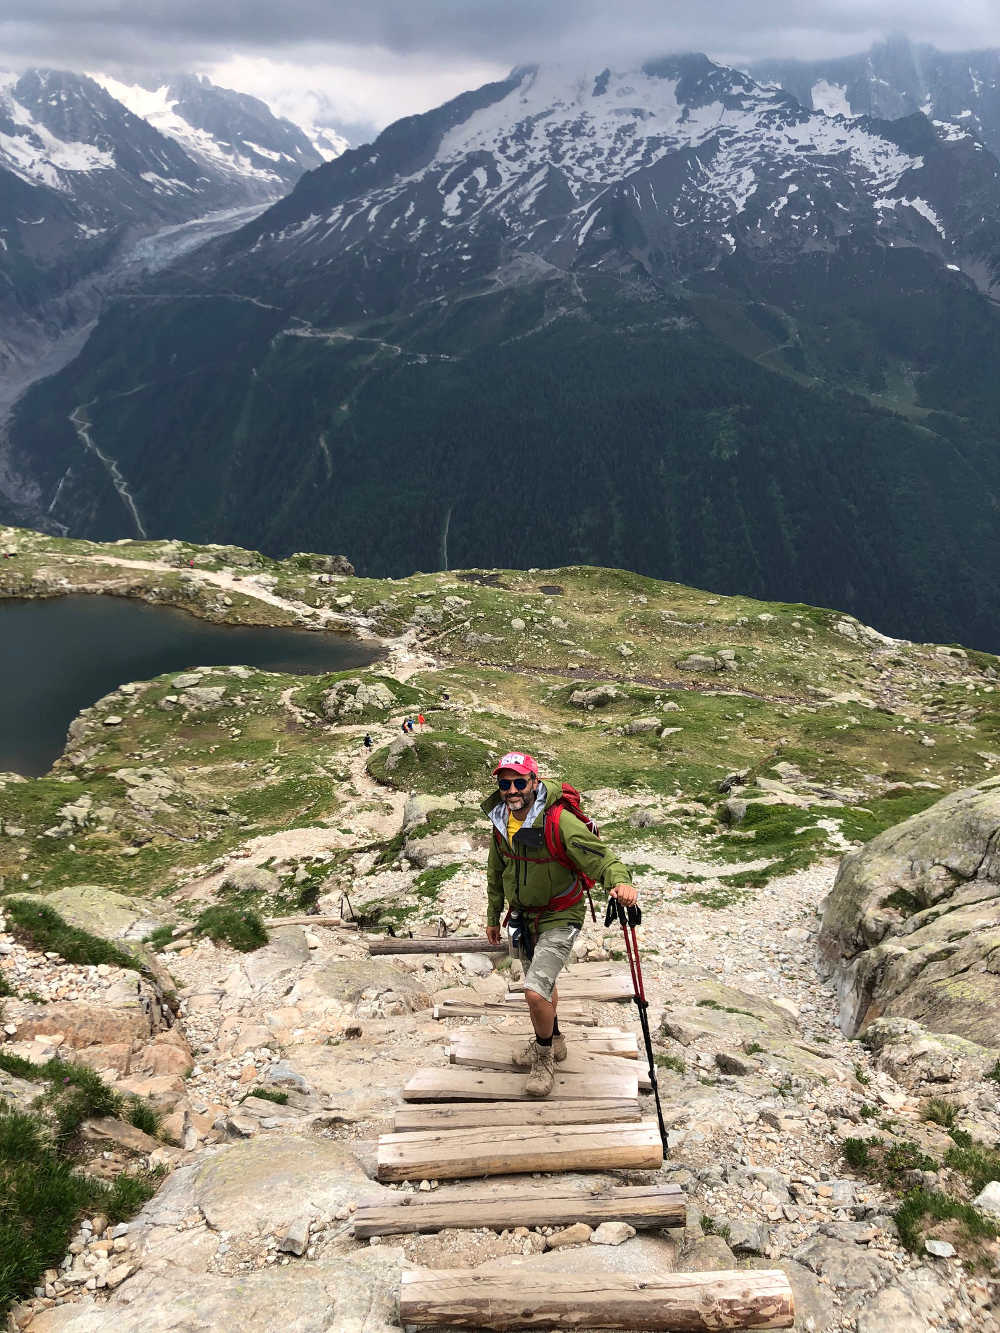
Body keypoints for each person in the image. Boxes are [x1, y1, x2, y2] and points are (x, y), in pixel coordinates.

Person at [483, 751, 637, 1098]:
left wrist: (620, 881)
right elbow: (496, 872)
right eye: (505, 783)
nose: (511, 790)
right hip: (523, 917)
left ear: (534, 782)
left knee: (534, 990)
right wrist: (493, 916)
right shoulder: (499, 822)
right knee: (544, 980)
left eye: (519, 782)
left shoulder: (558, 820)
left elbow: (600, 856)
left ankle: (543, 1057)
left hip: (561, 915)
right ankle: (556, 1040)